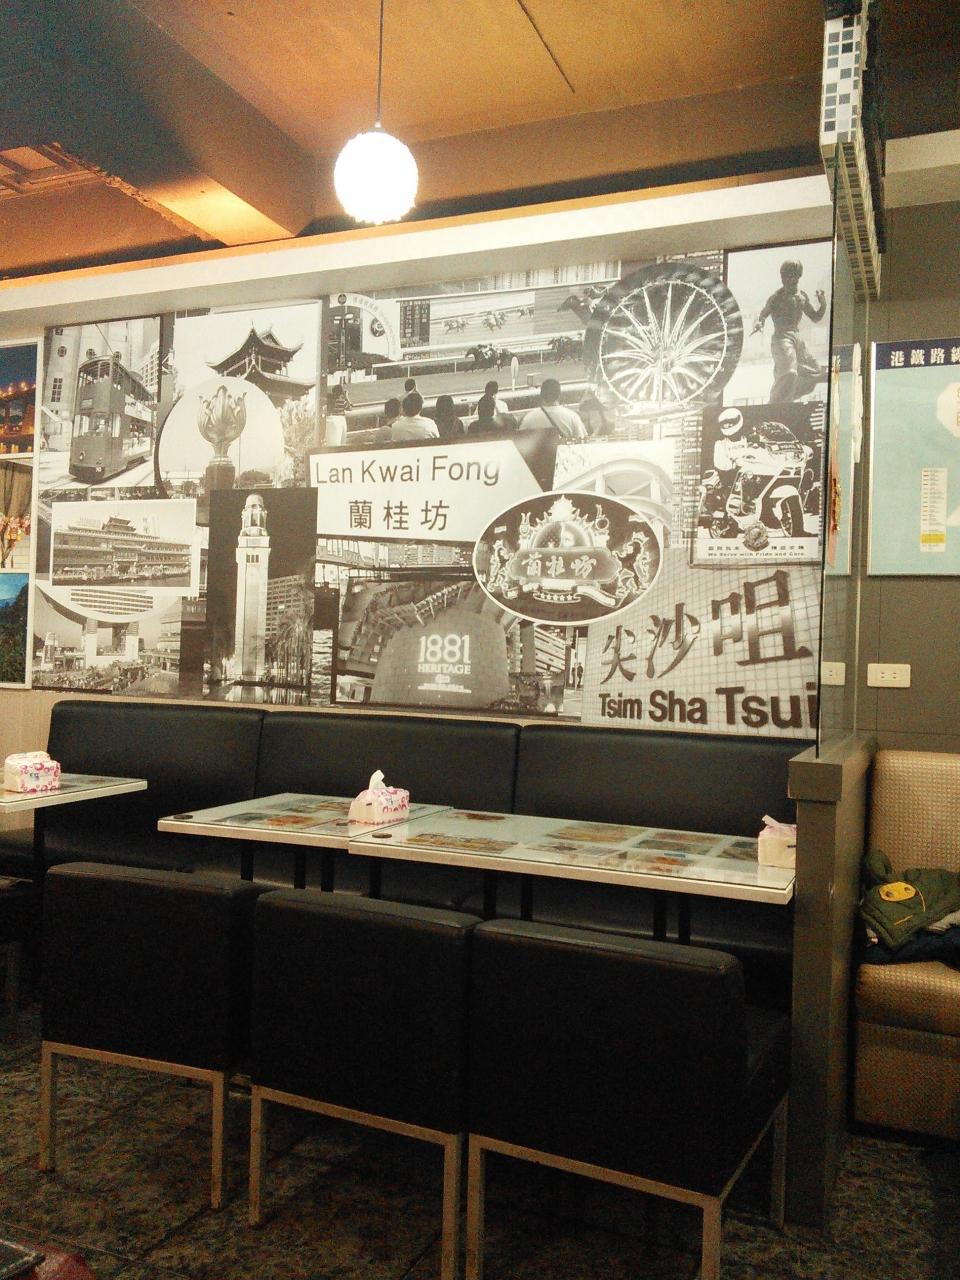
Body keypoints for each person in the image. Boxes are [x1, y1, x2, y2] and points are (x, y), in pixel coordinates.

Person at [752, 259, 827, 402]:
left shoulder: (801, 297)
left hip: (797, 339)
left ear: (798, 276)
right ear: (782, 278)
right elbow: (763, 314)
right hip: (782, 338)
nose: (789, 279)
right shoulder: (776, 298)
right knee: (789, 373)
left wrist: (823, 303)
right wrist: (759, 323)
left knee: (816, 372)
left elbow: (816, 317)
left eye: (793, 275)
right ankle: (775, 402)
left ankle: (789, 396)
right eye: (786, 276)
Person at [520, 378, 587, 441]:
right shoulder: (572, 417)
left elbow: (521, 442)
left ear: (541, 395)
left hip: (539, 450)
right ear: (559, 395)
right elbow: (581, 440)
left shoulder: (529, 418)